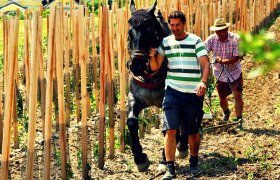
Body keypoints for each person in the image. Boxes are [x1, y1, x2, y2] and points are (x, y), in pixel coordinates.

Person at [149, 10, 209, 179]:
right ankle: (170, 168)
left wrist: (203, 82)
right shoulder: (165, 43)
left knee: (192, 132)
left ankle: (194, 162)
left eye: (177, 25)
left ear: (184, 24)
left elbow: (205, 64)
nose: (174, 28)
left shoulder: (195, 40)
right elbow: (155, 67)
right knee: (170, 130)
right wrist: (152, 56)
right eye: (172, 25)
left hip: (193, 93)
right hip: (173, 92)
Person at [204, 18, 243, 122]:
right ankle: (226, 112)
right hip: (220, 74)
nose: (220, 33)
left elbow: (236, 58)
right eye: (218, 31)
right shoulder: (211, 39)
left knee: (237, 96)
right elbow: (203, 51)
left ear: (227, 29)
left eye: (223, 30)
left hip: (234, 72)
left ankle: (239, 119)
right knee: (222, 97)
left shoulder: (236, 39)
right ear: (215, 31)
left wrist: (222, 60)